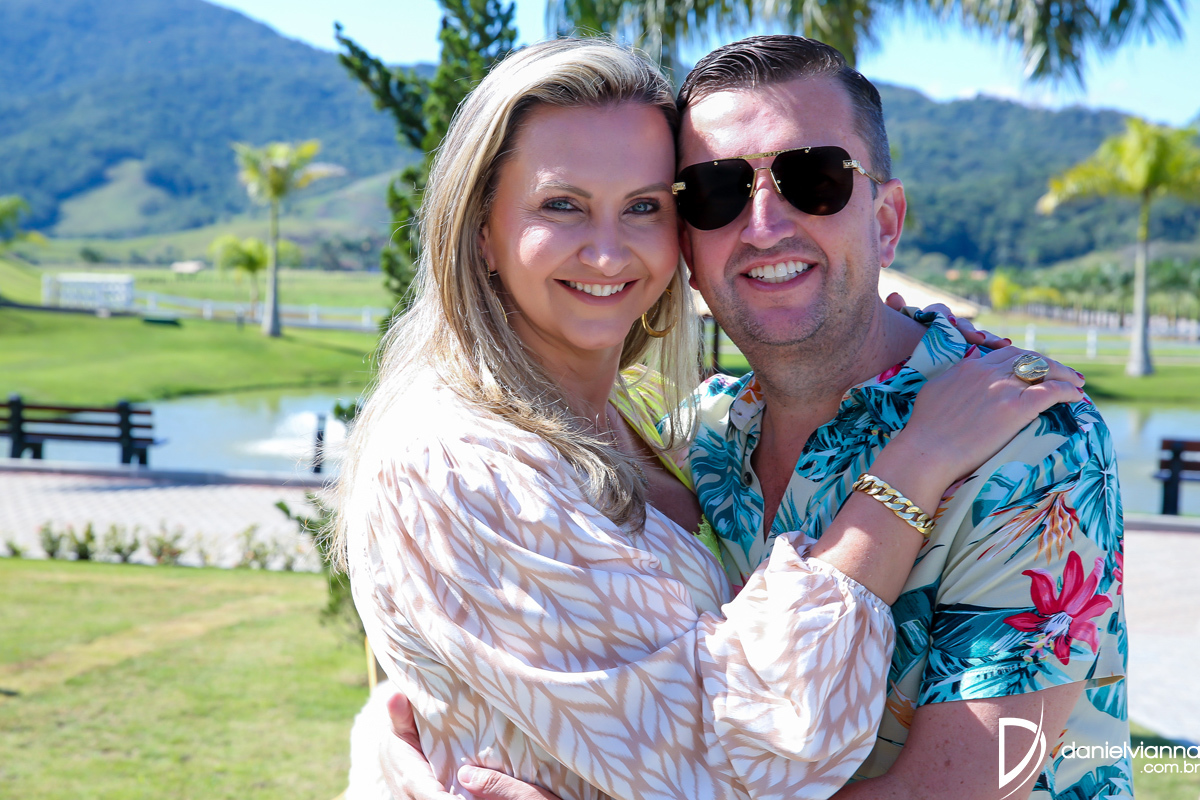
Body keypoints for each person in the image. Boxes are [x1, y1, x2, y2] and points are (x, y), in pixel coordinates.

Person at [340, 37, 1093, 800]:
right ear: (481, 232)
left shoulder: (1022, 437)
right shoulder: (495, 457)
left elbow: (968, 784)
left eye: (816, 180)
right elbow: (732, 751)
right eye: (717, 190)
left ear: (886, 220)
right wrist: (914, 464)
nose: (607, 252)